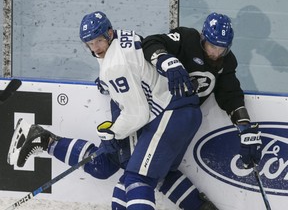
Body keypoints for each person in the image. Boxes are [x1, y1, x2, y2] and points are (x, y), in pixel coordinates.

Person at [7, 11, 218, 210]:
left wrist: (113, 132)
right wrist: (109, 85)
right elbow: (136, 69)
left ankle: (44, 140)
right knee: (135, 168)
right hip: (180, 110)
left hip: (163, 112)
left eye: (98, 41)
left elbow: (137, 113)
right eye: (89, 44)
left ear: (109, 33)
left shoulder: (113, 66)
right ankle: (45, 140)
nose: (95, 48)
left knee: (133, 175)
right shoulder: (123, 38)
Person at [142, 12, 262, 169]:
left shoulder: (227, 61)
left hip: (181, 122)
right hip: (153, 112)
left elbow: (230, 95)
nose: (216, 53)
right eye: (212, 46)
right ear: (203, 37)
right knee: (141, 169)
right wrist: (165, 60)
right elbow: (150, 42)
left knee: (166, 170)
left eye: (222, 49)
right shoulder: (187, 38)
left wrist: (244, 126)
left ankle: (195, 195)